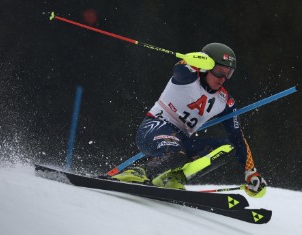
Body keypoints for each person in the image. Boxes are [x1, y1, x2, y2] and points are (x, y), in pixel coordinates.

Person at [112, 42, 267, 197]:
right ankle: (138, 172)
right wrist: (194, 60)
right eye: (219, 72)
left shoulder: (225, 101)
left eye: (228, 73)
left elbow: (237, 137)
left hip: (181, 139)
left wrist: (250, 171)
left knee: (225, 149)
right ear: (206, 66)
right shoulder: (188, 77)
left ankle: (171, 177)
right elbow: (179, 68)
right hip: (154, 127)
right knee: (176, 153)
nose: (223, 78)